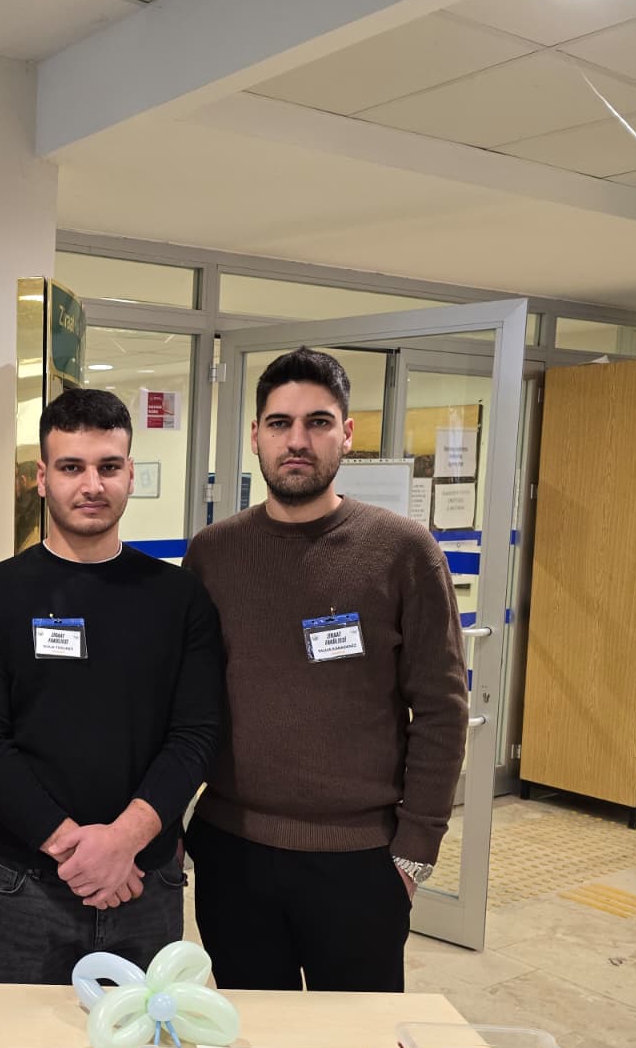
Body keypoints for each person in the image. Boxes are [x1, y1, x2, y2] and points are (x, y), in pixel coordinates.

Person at [182, 346, 467, 992]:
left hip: (360, 861)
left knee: (356, 1044)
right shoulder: (214, 554)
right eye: (279, 423)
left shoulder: (403, 551)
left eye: (317, 422)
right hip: (233, 852)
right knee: (254, 1035)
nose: (297, 441)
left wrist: (415, 850)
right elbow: (182, 700)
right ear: (255, 435)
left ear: (347, 433)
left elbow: (442, 709)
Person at [0, 388, 223, 985]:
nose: (92, 485)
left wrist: (123, 842)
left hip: (146, 880)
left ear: (130, 474)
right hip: (25, 886)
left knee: (145, 1037)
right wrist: (77, 850)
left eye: (108, 467)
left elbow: (196, 735)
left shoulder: (179, 598)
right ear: (42, 477)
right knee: (26, 1041)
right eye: (72, 467)